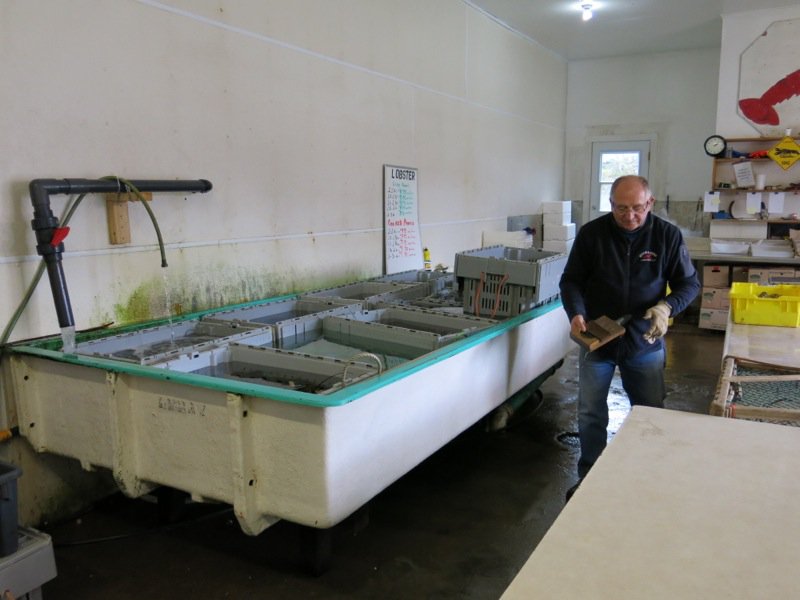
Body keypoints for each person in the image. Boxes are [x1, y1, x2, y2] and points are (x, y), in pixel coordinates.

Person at [559, 175, 700, 492]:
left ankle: (648, 476)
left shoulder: (667, 236)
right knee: (590, 413)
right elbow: (571, 281)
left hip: (644, 341)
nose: (630, 215)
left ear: (650, 203)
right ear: (610, 204)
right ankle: (590, 478)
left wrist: (667, 307)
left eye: (637, 207)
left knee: (650, 414)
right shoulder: (592, 235)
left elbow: (689, 284)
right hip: (597, 340)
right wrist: (576, 312)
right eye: (621, 208)